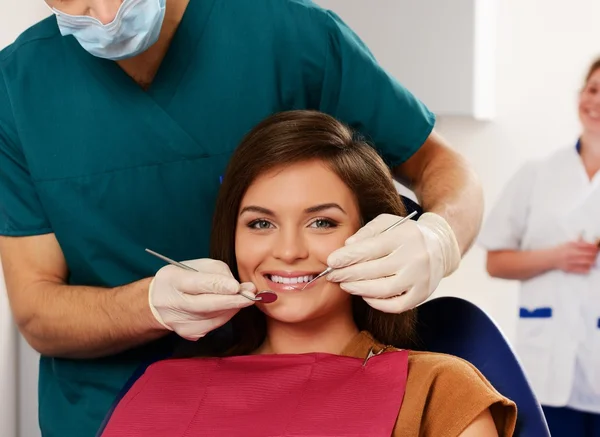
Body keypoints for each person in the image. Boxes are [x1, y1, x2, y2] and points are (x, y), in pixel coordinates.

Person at [0, 1, 483, 435]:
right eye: (259, 222)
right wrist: (148, 304)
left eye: (320, 221)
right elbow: (36, 309)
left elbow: (441, 168)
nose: (105, 15)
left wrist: (438, 238)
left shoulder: (292, 37)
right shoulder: (19, 85)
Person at [100, 110, 516, 437]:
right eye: (261, 224)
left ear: (372, 234)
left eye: (322, 223)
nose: (288, 251)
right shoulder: (166, 385)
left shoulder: (438, 390)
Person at [479, 58, 600, 436]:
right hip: (545, 363)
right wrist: (556, 257)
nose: (596, 101)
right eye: (593, 89)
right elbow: (496, 262)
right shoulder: (537, 174)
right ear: (580, 94)